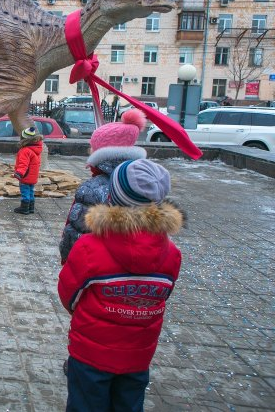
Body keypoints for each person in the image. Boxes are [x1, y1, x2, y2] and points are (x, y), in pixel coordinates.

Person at [58, 159, 183, 412]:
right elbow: (162, 294)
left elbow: (68, 294)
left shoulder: (89, 247)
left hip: (90, 351)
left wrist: (86, 314)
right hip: (138, 353)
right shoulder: (172, 253)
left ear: (112, 197)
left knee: (85, 404)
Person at [59, 109, 147, 264]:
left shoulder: (92, 189)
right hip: (136, 263)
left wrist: (67, 260)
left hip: (96, 266)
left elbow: (75, 234)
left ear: (100, 152)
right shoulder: (146, 182)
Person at [12, 126, 43, 215]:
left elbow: (23, 164)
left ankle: (24, 208)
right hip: (33, 176)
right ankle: (31, 208)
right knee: (31, 192)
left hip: (25, 176)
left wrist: (18, 174)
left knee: (25, 192)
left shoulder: (25, 151)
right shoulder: (36, 148)